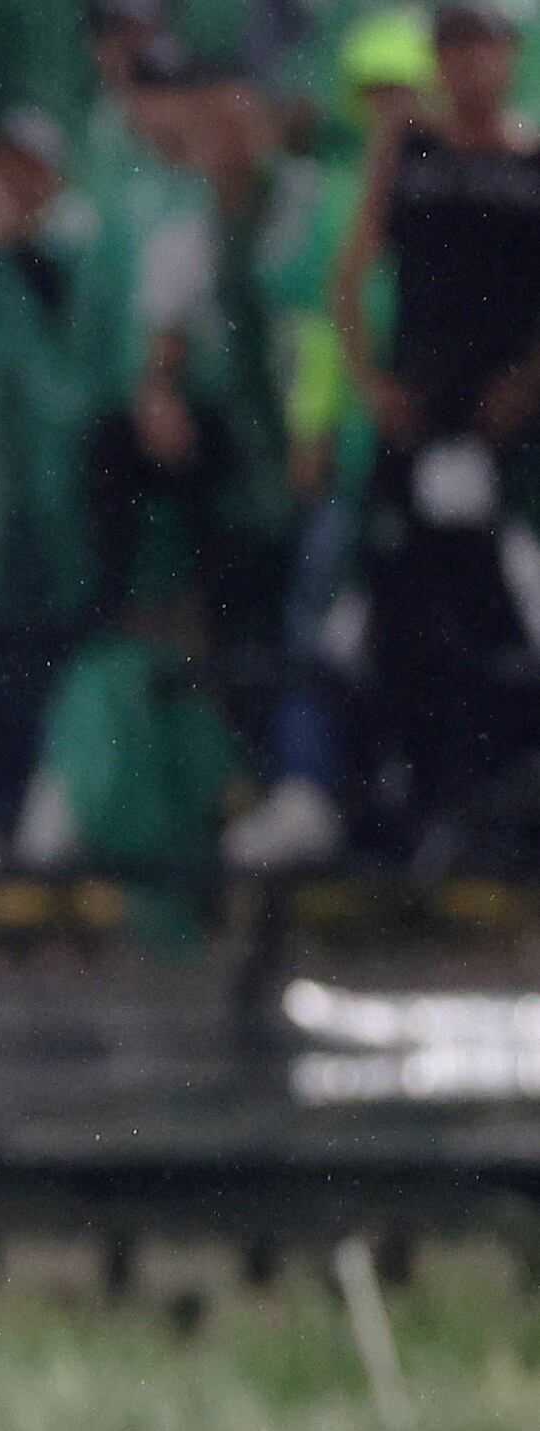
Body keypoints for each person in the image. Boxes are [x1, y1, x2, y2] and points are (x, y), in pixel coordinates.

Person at [333, 0, 540, 857]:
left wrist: (526, 383)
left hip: (516, 434)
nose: (466, 67)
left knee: (515, 610)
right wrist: (373, 383)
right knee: (405, 613)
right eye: (451, 49)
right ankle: (418, 800)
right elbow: (349, 275)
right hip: (421, 422)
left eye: (480, 47)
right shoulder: (412, 156)